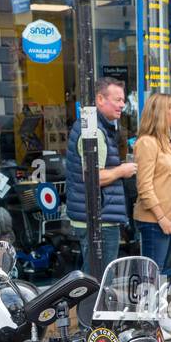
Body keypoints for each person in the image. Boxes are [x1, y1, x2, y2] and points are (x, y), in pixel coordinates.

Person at [65, 77, 137, 274]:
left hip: (96, 216)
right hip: (98, 220)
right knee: (98, 281)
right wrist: (122, 170)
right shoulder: (95, 131)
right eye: (117, 99)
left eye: (123, 100)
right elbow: (94, 178)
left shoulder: (95, 126)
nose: (122, 105)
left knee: (92, 279)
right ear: (100, 99)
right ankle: (86, 307)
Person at [133, 91, 171, 337]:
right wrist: (161, 217)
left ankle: (160, 317)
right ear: (161, 113)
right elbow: (144, 186)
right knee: (151, 273)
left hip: (167, 216)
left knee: (161, 270)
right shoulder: (146, 142)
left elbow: (165, 176)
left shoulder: (167, 141)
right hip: (153, 219)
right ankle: (149, 323)